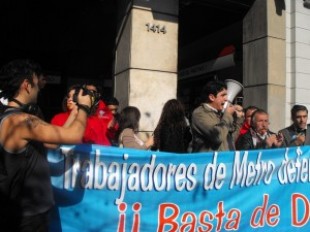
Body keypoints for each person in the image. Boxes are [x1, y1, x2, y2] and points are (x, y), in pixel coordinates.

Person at [0, 59, 92, 231]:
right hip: (27, 217)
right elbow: (74, 135)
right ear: (26, 85)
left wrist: (74, 112)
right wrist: (85, 107)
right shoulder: (20, 121)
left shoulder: (13, 118)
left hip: (32, 213)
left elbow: (53, 141)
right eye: (36, 83)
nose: (39, 88)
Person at [191, 80, 244, 152]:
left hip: (224, 160)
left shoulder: (221, 114)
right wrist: (227, 115)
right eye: (223, 95)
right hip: (209, 161)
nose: (226, 98)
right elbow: (218, 137)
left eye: (226, 95)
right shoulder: (200, 113)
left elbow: (230, 139)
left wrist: (238, 119)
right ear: (212, 97)